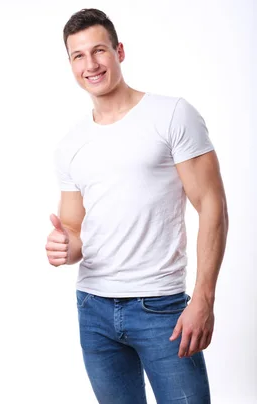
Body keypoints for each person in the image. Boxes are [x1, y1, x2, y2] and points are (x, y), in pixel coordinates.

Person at [45, 8, 229, 404]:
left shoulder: (172, 115)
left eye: (99, 51)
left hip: (161, 307)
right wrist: (64, 246)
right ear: (70, 64)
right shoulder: (70, 145)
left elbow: (212, 205)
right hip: (93, 309)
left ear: (119, 51)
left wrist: (203, 298)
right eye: (78, 56)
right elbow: (75, 230)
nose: (90, 64)